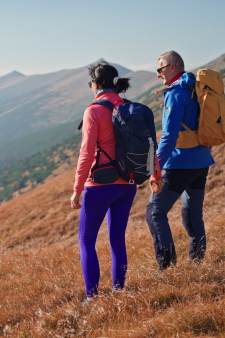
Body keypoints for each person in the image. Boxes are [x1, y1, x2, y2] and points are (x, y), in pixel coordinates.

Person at [70, 61, 138, 300]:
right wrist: (156, 174)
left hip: (100, 184)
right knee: (117, 239)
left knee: (86, 240)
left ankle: (92, 298)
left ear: (96, 84)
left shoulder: (94, 110)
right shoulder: (127, 106)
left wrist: (77, 189)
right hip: (128, 182)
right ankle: (119, 292)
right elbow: (147, 142)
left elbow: (86, 153)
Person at [146, 50, 215, 270]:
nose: (158, 75)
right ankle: (197, 262)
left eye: (160, 69)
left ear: (173, 67)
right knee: (192, 213)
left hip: (179, 164)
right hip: (201, 161)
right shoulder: (196, 88)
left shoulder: (176, 93)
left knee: (154, 212)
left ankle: (167, 267)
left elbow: (169, 135)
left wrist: (155, 167)